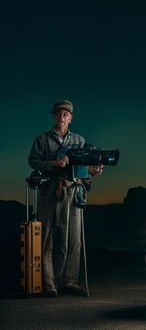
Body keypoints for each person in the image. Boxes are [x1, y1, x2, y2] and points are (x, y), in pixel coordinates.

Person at [28, 100, 103, 297]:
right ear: (53, 116)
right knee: (47, 237)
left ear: (70, 118)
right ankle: (48, 284)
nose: (61, 117)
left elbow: (82, 166)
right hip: (50, 191)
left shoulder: (79, 140)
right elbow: (32, 161)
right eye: (58, 114)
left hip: (74, 190)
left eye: (65, 114)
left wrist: (92, 171)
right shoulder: (42, 140)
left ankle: (68, 282)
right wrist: (54, 162)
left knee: (74, 237)